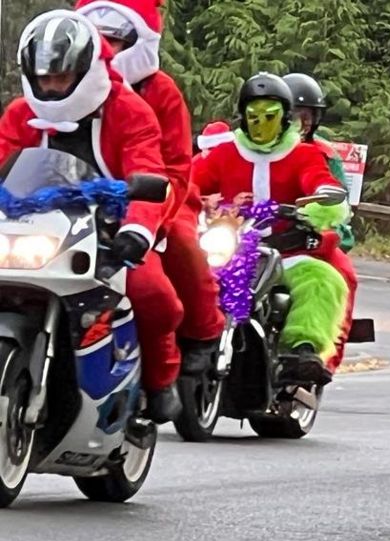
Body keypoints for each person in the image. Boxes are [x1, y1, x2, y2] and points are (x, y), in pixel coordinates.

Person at [0, 10, 182, 421]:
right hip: (26, 227)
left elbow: (149, 173)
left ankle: (159, 378)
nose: (50, 87)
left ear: (86, 69)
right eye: (43, 77)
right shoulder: (17, 115)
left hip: (108, 231)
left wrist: (137, 230)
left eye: (60, 78)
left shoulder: (131, 111)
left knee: (153, 292)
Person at [77, 0, 227, 376]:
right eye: (99, 40)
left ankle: (203, 331)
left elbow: (176, 167)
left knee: (182, 244)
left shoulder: (161, 92)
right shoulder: (64, 88)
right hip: (80, 204)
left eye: (115, 41)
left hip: (159, 194)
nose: (107, 50)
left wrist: (149, 219)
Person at [190, 72, 356, 384]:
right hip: (227, 248)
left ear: (284, 119)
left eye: (270, 116)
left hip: (284, 251)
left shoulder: (306, 154)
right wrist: (192, 199)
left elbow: (320, 182)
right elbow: (188, 181)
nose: (261, 124)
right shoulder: (223, 153)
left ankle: (302, 350)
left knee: (322, 278)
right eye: (253, 117)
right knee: (183, 273)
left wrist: (320, 206)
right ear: (243, 117)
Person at [282, 72, 355, 252]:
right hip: (259, 227)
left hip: (307, 232)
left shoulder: (326, 153)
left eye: (309, 116)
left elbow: (340, 201)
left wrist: (327, 219)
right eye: (297, 115)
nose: (304, 123)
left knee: (339, 274)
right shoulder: (258, 148)